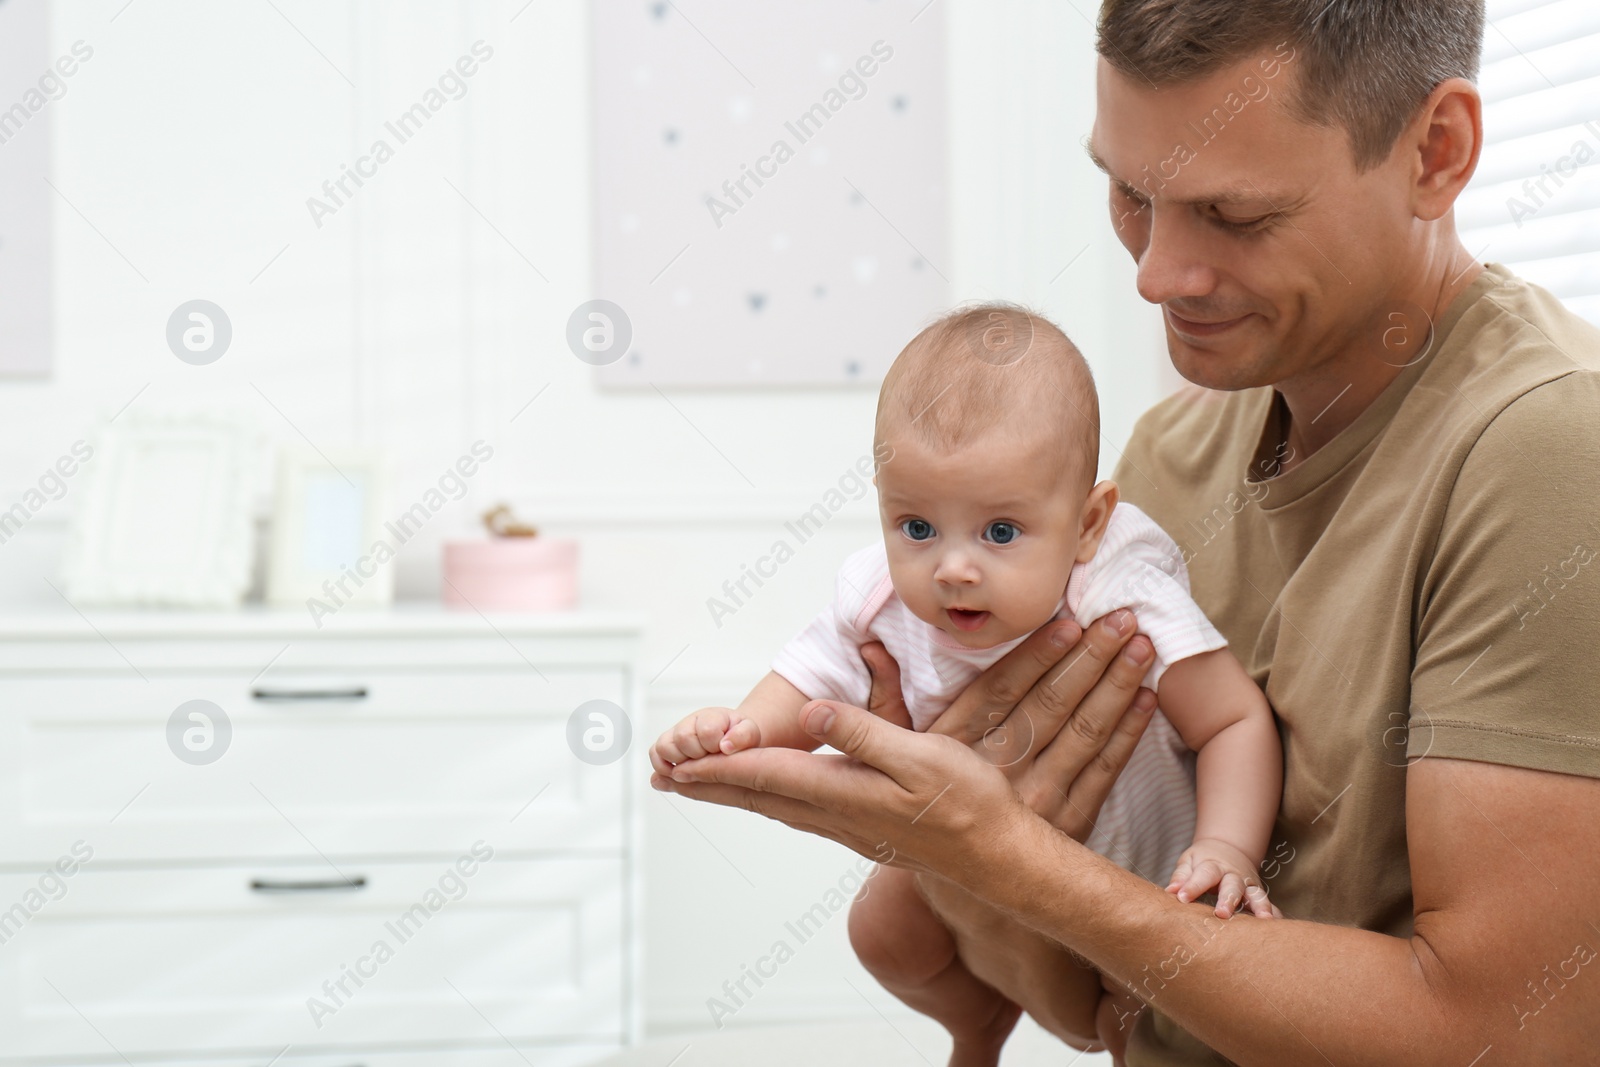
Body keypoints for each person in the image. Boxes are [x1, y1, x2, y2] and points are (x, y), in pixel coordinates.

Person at [656, 0, 1600, 1062]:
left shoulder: (1553, 450)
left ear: (1436, 152)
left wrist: (1004, 856)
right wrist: (969, 869)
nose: (1155, 274)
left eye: (1235, 217)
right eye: (1130, 193)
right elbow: (1096, 1012)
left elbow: (1516, 1035)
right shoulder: (1167, 458)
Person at [649, 305, 1282, 1066]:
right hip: (966, 863)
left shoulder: (1119, 590)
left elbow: (1233, 721)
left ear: (1087, 524)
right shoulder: (885, 598)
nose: (952, 567)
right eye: (916, 526)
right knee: (882, 933)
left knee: (1138, 1021)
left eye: (1001, 532)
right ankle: (974, 1024)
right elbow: (804, 678)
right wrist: (738, 730)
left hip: (1138, 884)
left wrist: (1226, 846)